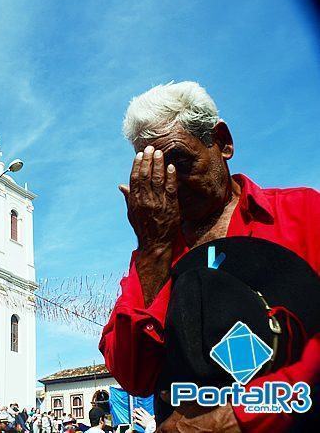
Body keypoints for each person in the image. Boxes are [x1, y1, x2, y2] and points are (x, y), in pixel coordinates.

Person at [99, 81, 320, 432]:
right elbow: (134, 375)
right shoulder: (153, 255)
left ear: (222, 142)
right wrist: (154, 250)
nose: (170, 183)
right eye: (155, 172)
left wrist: (241, 416)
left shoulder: (304, 213)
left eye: (179, 161)